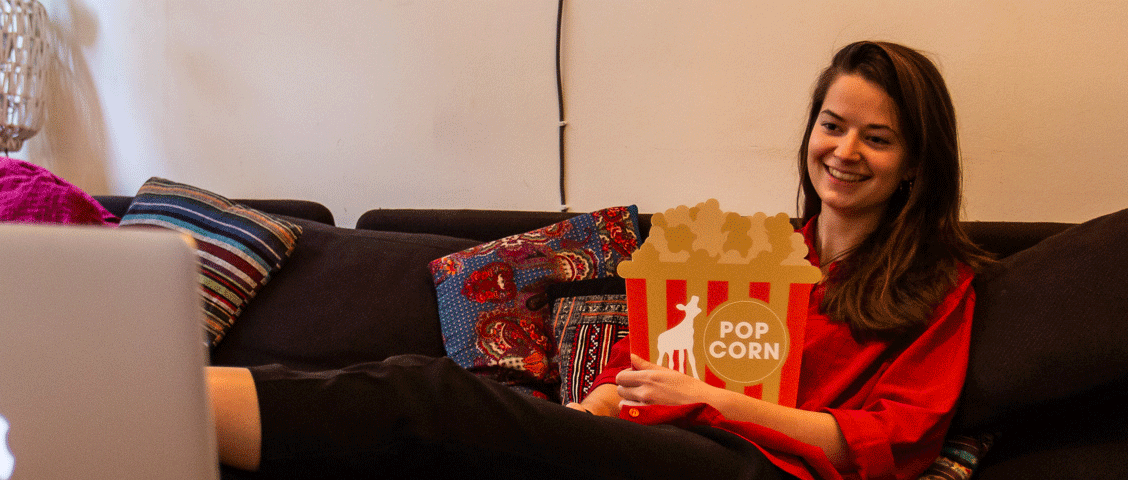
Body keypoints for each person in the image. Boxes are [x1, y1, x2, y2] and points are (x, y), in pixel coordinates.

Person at [206, 40, 993, 480]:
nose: (844, 151)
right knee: (444, 435)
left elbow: (889, 443)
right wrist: (598, 409)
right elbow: (645, 368)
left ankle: (171, 407)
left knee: (429, 394)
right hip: (665, 449)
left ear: (915, 163)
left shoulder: (936, 281)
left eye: (876, 137)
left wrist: (715, 403)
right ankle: (175, 412)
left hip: (760, 472)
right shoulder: (753, 251)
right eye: (832, 124)